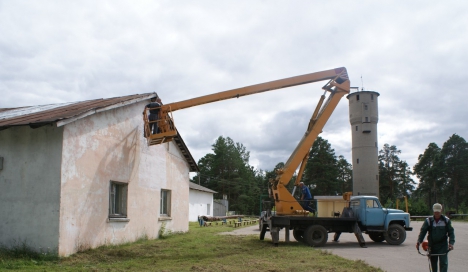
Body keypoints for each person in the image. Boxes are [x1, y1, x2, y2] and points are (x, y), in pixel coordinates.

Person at [416, 203, 455, 272]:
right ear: (433, 211)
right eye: (435, 211)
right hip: (432, 245)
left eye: (438, 211)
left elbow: (451, 233)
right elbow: (423, 232)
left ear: (441, 210)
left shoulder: (446, 221)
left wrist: (451, 243)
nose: (436, 213)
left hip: (443, 246)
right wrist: (419, 241)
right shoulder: (428, 221)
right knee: (433, 264)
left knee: (444, 263)